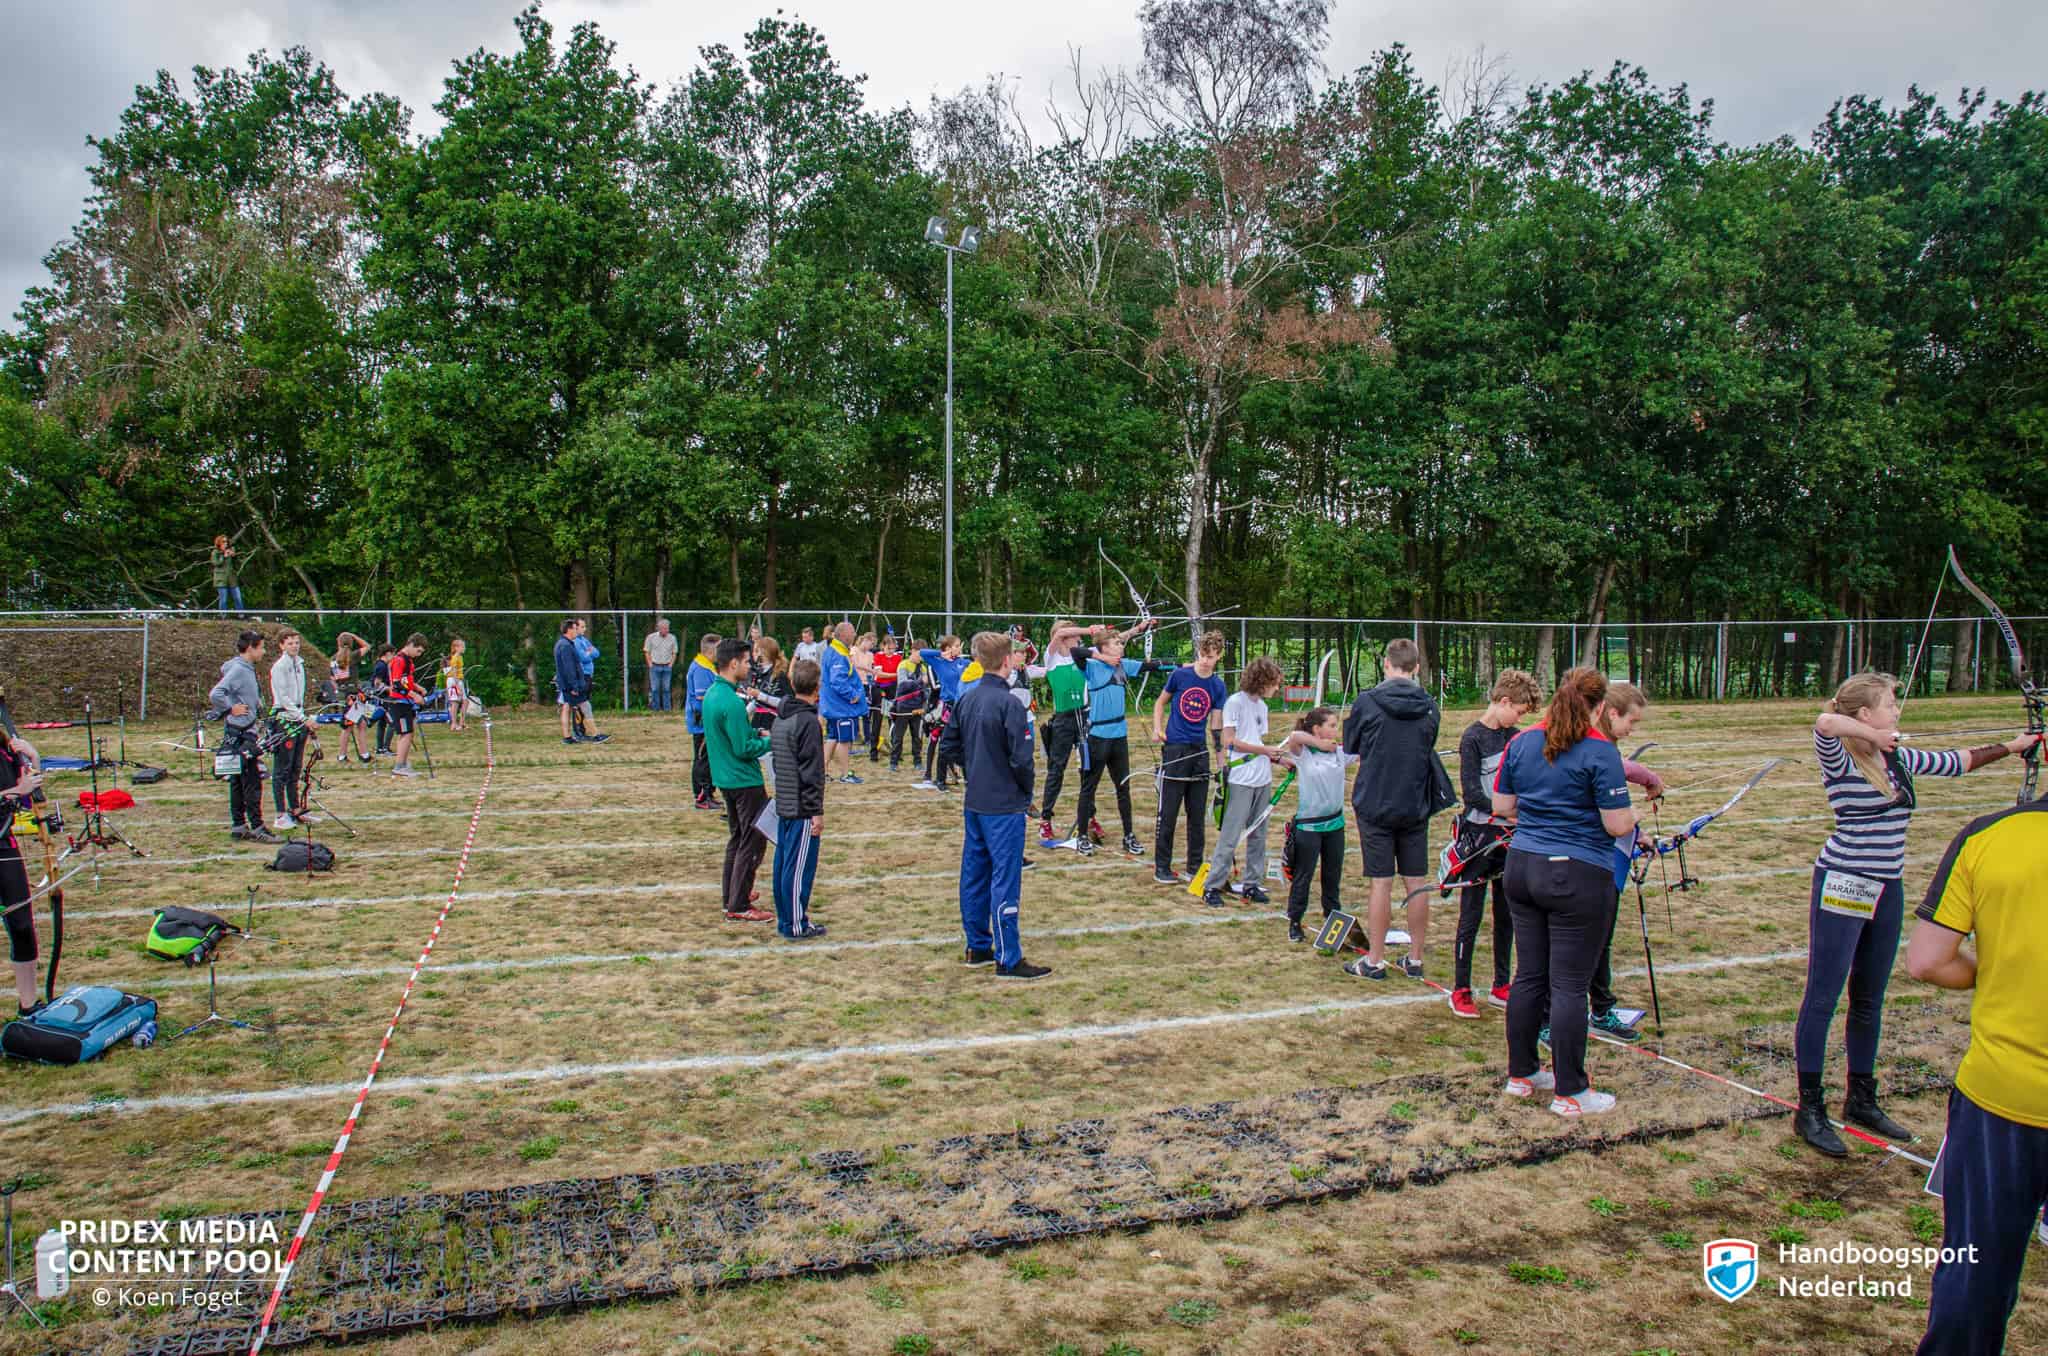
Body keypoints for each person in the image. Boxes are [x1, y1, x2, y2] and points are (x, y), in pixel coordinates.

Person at [1791, 671, 2032, 1157]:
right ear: (1865, 715)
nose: (1897, 712)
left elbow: (1957, 762)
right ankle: (1809, 1108)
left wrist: (2013, 745)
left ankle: (1861, 1096)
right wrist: (1872, 736)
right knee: (1824, 995)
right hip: (1844, 883)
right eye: (1890, 705)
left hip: (1887, 887)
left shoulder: (1896, 758)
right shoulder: (1843, 756)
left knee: (1869, 997)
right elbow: (1823, 722)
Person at [1905, 791, 2048, 1356]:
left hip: (2000, 1098)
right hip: (2000, 1098)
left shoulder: (1990, 836)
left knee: (1976, 1274)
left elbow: (1927, 959)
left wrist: (2002, 972)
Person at [1490, 667, 1642, 1118]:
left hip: (1522, 868)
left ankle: (1523, 1073)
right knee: (1570, 984)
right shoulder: (1600, 751)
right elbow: (1616, 824)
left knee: (1529, 975)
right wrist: (1633, 815)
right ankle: (1571, 1090)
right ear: (1598, 708)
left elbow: (1502, 807)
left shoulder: (1521, 743)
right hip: (1576, 875)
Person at [939, 632, 1047, 979]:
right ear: (1005, 661)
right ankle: (1008, 957)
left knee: (974, 874)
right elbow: (1022, 760)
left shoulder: (968, 699)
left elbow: (948, 746)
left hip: (977, 801)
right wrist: (1024, 793)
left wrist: (975, 769)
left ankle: (978, 945)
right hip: (1002, 805)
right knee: (1004, 877)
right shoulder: (1009, 703)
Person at [1342, 638, 1443, 979]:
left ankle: (1375, 960)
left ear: (1387, 664)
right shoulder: (1429, 705)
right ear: (1415, 668)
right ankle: (1414, 958)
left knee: (1381, 883)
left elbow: (1351, 746)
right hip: (1413, 801)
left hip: (1377, 801)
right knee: (1416, 882)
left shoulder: (1367, 702)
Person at [1448, 670, 1542, 1015]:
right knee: (1470, 915)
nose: (1520, 719)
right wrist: (1505, 811)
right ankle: (1461, 988)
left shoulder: (1517, 738)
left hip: (1511, 839)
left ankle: (1501, 983)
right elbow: (1472, 794)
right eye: (1518, 712)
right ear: (1503, 702)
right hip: (1479, 838)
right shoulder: (1472, 737)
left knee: (1508, 913)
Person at [1068, 622, 1165, 857]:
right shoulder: (1091, 666)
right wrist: (1101, 658)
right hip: (1098, 737)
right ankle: (1082, 836)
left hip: (1119, 736)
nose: (1121, 646)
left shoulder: (1125, 665)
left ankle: (1128, 835)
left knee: (1124, 787)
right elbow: (1075, 652)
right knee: (1088, 788)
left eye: (1121, 643)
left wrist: (1189, 666)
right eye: (1116, 643)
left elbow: (1154, 666)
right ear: (1103, 647)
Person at [1202, 656, 1290, 908]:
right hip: (1242, 779)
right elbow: (1230, 740)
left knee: (1258, 834)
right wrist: (1265, 751)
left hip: (1262, 778)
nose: (1277, 687)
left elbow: (1257, 744)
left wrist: (1277, 760)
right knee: (1231, 834)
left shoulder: (1262, 707)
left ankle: (1252, 884)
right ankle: (1213, 885)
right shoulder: (1235, 703)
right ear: (1261, 681)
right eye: (1274, 683)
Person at [1150, 629, 1229, 886]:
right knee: (1169, 812)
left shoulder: (1217, 686)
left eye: (1211, 656)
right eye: (1203, 655)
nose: (1206, 660)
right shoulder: (1180, 675)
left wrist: (1221, 763)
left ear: (1219, 656)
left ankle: (1194, 866)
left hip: (1199, 751)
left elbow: (1216, 726)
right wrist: (1157, 728)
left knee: (1196, 814)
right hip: (1175, 749)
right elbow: (1160, 702)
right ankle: (1162, 866)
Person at [705, 637, 774, 923]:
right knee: (752, 840)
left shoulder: (713, 694)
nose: (749, 666)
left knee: (737, 838)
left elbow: (737, 738)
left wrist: (753, 735)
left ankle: (731, 895)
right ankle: (739, 902)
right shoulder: (731, 702)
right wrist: (770, 743)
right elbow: (743, 749)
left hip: (726, 778)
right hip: (743, 780)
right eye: (746, 661)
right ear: (733, 663)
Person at [1279, 706, 1355, 942]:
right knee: (1303, 876)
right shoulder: (1304, 753)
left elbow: (1366, 748)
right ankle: (1295, 921)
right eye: (1331, 725)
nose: (1336, 730)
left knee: (1332, 877)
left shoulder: (1339, 752)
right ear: (1316, 729)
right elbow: (1294, 737)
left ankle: (1332, 919)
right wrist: (1320, 745)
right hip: (1309, 828)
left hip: (1335, 826)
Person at [768, 658, 829, 940]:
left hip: (785, 799)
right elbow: (812, 771)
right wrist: (816, 811)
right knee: (797, 869)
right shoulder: (808, 722)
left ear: (792, 684)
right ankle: (794, 923)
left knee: (784, 864)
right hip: (801, 806)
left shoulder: (781, 717)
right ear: (817, 688)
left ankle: (788, 917)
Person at [209, 629, 278, 843]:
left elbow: (226, 670)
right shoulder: (239, 669)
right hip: (241, 732)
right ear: (251, 648)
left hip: (240, 729)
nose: (264, 652)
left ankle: (238, 825)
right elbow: (216, 693)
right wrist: (231, 708)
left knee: (237, 781)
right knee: (251, 781)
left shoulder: (239, 666)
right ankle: (257, 827)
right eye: (261, 647)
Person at [0, 727, 48, 1015]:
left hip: (4, 845)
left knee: (21, 924)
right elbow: (17, 792)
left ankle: (28, 1005)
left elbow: (29, 796)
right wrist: (15, 792)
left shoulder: (7, 751)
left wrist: (34, 758)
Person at [916, 635, 971, 791]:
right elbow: (923, 653)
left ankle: (968, 779)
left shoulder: (964, 662)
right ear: (948, 648)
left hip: (963, 706)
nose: (960, 648)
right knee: (945, 744)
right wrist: (940, 653)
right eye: (957, 645)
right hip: (948, 707)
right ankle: (940, 780)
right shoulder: (939, 663)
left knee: (966, 742)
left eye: (960, 645)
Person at [268, 628, 310, 828]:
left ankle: (295, 808)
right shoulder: (279, 667)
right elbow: (283, 698)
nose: (294, 646)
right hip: (284, 719)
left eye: (296, 642)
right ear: (282, 645)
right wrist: (301, 716)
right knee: (281, 769)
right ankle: (280, 813)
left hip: (298, 719)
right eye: (290, 643)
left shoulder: (299, 664)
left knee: (295, 767)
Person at [819, 622, 870, 785]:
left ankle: (823, 772)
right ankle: (845, 773)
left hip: (834, 706)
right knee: (845, 740)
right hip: (841, 707)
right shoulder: (837, 654)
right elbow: (837, 681)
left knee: (833, 737)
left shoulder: (835, 650)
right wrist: (852, 695)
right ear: (844, 635)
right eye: (852, 632)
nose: (855, 635)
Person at [384, 632, 430, 778]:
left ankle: (403, 762)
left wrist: (418, 688)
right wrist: (414, 695)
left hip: (406, 702)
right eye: (418, 651)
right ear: (411, 645)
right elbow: (397, 684)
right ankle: (399, 766)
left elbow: (407, 681)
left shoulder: (408, 660)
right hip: (399, 702)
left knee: (407, 732)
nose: (419, 654)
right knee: (406, 733)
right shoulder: (399, 660)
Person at [685, 633, 721, 808]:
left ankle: (708, 793)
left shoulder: (708, 666)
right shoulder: (700, 668)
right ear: (711, 650)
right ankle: (701, 796)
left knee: (709, 757)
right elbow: (702, 697)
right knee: (702, 758)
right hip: (701, 721)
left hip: (706, 719)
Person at [332, 634, 373, 764]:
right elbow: (367, 646)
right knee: (354, 726)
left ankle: (359, 754)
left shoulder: (333, 659)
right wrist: (355, 636)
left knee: (355, 725)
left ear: (338, 643)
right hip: (354, 695)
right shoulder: (353, 655)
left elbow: (333, 679)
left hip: (344, 695)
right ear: (351, 644)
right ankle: (349, 755)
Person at [889, 650, 930, 772]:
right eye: (919, 655)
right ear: (913, 651)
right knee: (898, 736)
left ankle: (917, 761)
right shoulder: (904, 665)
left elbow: (925, 688)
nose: (921, 659)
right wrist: (920, 681)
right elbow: (903, 685)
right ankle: (894, 762)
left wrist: (924, 703)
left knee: (917, 736)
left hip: (917, 707)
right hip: (903, 707)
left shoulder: (923, 668)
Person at [868, 632, 903, 763]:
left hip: (893, 689)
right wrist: (894, 675)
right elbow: (879, 674)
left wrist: (891, 675)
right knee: (877, 720)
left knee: (893, 720)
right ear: (883, 646)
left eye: (893, 648)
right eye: (889, 648)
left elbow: (899, 674)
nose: (891, 651)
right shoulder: (878, 656)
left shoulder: (898, 657)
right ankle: (873, 752)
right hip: (880, 689)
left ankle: (896, 752)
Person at [554, 619, 589, 747]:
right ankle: (591, 733)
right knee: (581, 706)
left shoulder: (565, 643)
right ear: (569, 630)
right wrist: (574, 686)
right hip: (569, 684)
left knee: (566, 707)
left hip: (566, 683)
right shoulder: (565, 645)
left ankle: (568, 736)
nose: (576, 631)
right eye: (575, 628)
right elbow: (569, 668)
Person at [750, 636, 791, 734]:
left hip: (772, 722)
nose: (753, 654)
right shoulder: (759, 674)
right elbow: (756, 702)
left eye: (756, 651)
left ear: (765, 653)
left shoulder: (779, 675)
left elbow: (786, 702)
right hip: (758, 722)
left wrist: (760, 695)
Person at [642, 620, 679, 711]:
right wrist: (650, 664)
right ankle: (656, 709)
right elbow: (647, 651)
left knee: (666, 688)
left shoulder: (672, 638)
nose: (666, 630)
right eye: (664, 628)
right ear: (659, 628)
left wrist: (671, 664)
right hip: (655, 666)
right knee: (655, 689)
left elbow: (674, 652)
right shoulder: (651, 637)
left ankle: (667, 710)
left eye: (667, 628)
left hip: (667, 666)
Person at [442, 636, 471, 732]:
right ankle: (454, 724)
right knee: (455, 702)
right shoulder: (455, 658)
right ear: (456, 648)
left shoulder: (460, 657)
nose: (464, 648)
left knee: (465, 701)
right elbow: (454, 673)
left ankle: (462, 722)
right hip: (453, 681)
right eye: (462, 646)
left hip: (459, 680)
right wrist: (457, 687)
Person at [210, 534, 243, 614]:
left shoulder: (231, 549)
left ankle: (241, 615)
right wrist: (223, 556)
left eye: (226, 541)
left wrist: (234, 556)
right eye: (223, 541)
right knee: (223, 599)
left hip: (232, 578)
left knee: (238, 597)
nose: (226, 543)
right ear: (219, 543)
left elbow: (237, 563)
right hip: (221, 579)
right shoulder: (215, 552)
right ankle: (223, 616)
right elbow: (215, 563)